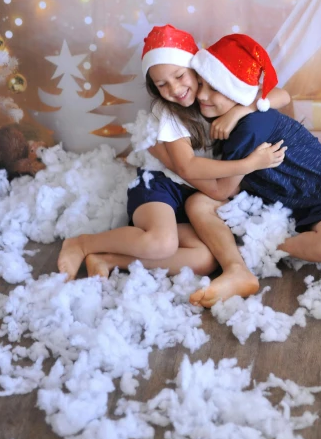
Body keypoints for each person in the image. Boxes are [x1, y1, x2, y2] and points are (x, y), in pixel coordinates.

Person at [57, 25, 288, 282]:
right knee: (162, 243)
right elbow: (188, 167)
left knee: (205, 260)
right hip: (159, 187)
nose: (175, 89)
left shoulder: (217, 91)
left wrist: (239, 111)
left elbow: (282, 95)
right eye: (162, 84)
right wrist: (248, 164)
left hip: (192, 194)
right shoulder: (169, 113)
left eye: (180, 76)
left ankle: (108, 260)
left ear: (196, 69)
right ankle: (83, 243)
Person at [178, 33, 321, 307]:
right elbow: (277, 95)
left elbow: (223, 187)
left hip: (311, 199)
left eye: (215, 88)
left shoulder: (250, 128)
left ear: (238, 91)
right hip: (263, 197)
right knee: (197, 203)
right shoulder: (231, 113)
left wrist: (184, 167)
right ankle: (236, 266)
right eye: (201, 84)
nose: (202, 95)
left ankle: (261, 246)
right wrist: (239, 109)